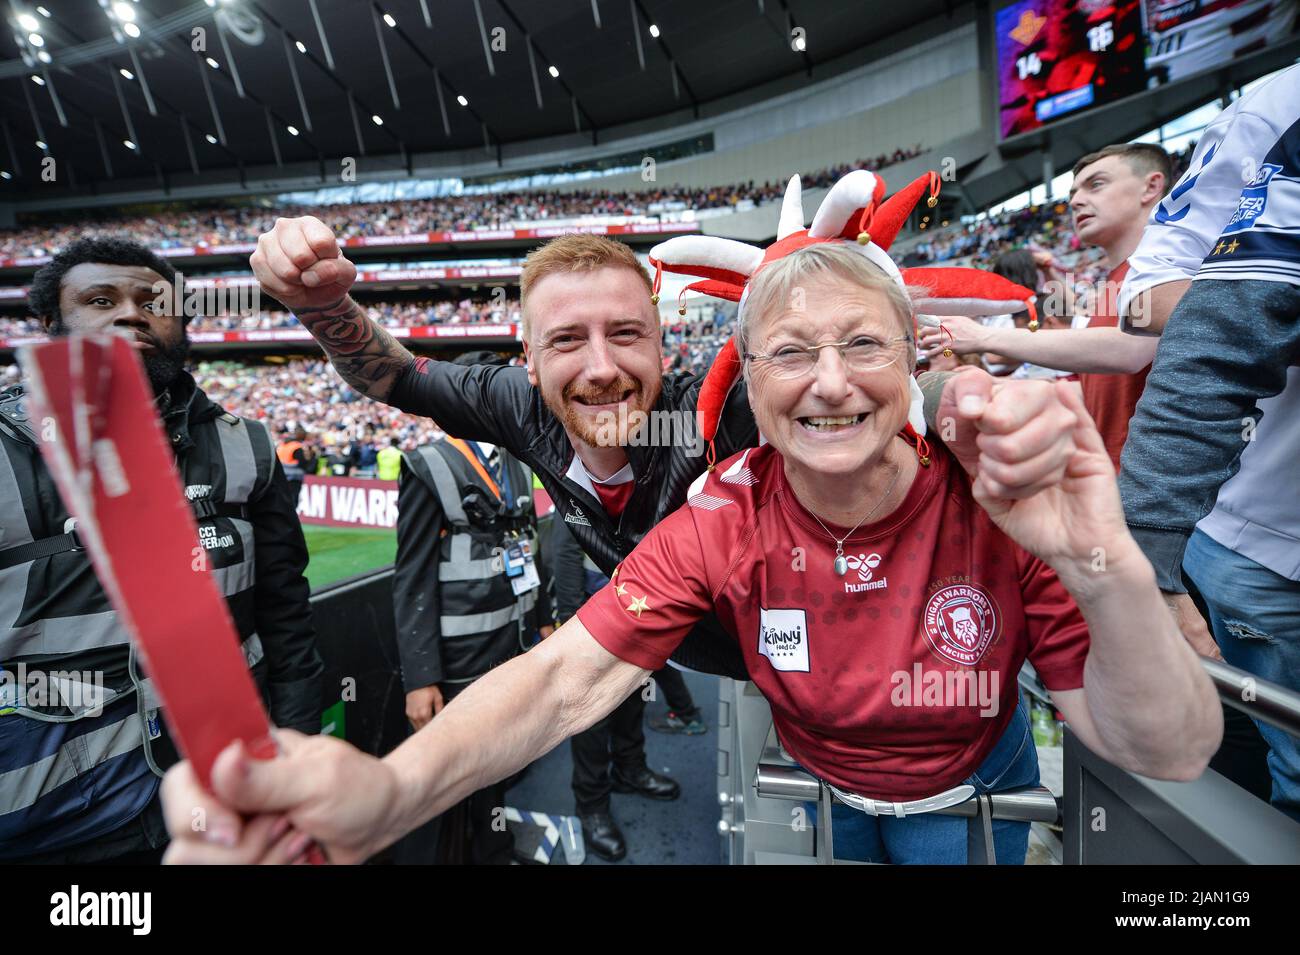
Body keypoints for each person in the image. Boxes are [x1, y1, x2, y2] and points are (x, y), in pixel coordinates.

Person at [159, 229, 1221, 868]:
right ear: (523, 365)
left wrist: (1086, 540)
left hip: (968, 782)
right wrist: (389, 794)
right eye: (793, 355)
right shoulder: (716, 514)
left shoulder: (973, 494)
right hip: (804, 756)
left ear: (683, 361)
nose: (829, 379)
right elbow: (560, 677)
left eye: (864, 348)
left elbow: (1170, 748)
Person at [243, 172, 1077, 683]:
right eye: (567, 340)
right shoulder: (512, 404)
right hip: (699, 655)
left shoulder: (715, 407)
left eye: (627, 333)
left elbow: (851, 393)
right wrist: (323, 306)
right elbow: (390, 373)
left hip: (845, 668)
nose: (601, 366)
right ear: (526, 362)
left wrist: (960, 392)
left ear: (665, 339)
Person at [0, 236, 323, 863]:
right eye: (100, 300)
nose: (131, 312)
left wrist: (295, 751)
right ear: (49, 322)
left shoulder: (245, 444)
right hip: (53, 825)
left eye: (154, 301)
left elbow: (287, 620)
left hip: (230, 797)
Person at [1115, 64, 1300, 821]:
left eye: (1095, 184)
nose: (1079, 201)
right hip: (1259, 532)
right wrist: (1145, 556)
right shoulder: (1278, 106)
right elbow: (1199, 329)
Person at [919, 142, 1174, 469]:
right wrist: (998, 388)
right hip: (1116, 473)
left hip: (1155, 485)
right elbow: (1098, 387)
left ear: (1151, 187)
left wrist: (981, 336)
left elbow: (1128, 351)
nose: (1077, 200)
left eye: (1096, 184)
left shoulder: (1167, 270)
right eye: (1073, 192)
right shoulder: (1116, 281)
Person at [392, 354, 553, 862]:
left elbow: (529, 543)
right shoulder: (427, 464)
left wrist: (545, 618)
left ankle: (494, 846)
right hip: (458, 657)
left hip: (513, 645)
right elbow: (411, 576)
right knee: (457, 772)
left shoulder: (515, 460)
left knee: (499, 759)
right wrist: (420, 678)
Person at [549, 515, 689, 861]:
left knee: (633, 703)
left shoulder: (642, 483)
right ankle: (592, 805)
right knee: (591, 719)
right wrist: (569, 622)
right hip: (590, 620)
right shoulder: (581, 477)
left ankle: (630, 770)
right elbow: (565, 553)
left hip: (638, 617)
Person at [277, 427, 309, 510]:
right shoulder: (297, 447)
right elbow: (302, 463)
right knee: (292, 501)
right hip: (293, 477)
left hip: (280, 475)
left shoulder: (283, 444)